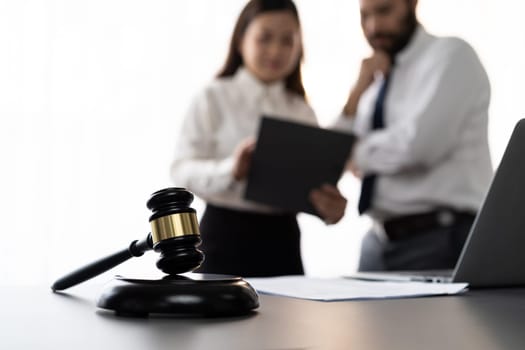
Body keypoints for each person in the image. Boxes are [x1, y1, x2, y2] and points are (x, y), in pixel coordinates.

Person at [170, 0, 346, 277]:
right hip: (224, 237)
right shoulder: (213, 97)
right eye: (265, 38)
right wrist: (232, 169)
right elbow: (181, 170)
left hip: (283, 242)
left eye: (288, 41)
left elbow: (313, 185)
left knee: (287, 320)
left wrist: (330, 209)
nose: (276, 51)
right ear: (241, 40)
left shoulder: (302, 110)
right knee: (221, 319)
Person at [332, 0, 493, 271]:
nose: (374, 26)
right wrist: (356, 93)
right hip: (377, 243)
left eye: (384, 11)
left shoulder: (451, 56)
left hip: (440, 240)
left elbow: (418, 147)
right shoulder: (375, 83)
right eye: (365, 16)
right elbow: (329, 154)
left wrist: (356, 153)